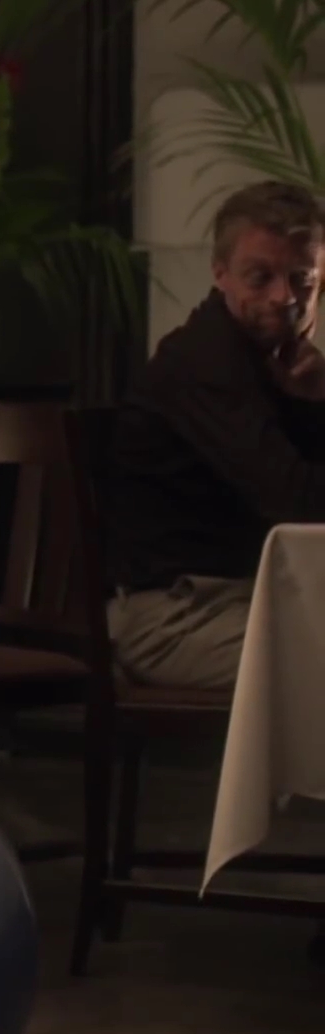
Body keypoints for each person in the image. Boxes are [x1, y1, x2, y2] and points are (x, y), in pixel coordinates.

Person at [109, 180, 325, 692]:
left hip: (255, 599)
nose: (284, 298)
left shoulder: (280, 364)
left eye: (302, 279)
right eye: (260, 277)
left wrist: (315, 401)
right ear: (220, 272)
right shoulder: (204, 363)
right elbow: (297, 502)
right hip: (174, 616)